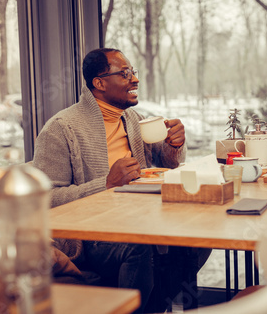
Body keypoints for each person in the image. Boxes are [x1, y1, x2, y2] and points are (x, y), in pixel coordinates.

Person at [33, 48, 208, 312]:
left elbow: (165, 163)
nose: (135, 79)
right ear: (99, 83)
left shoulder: (133, 120)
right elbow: (45, 199)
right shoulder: (60, 128)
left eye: (133, 72)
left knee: (199, 234)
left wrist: (175, 144)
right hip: (92, 235)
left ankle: (156, 305)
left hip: (142, 216)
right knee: (141, 244)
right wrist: (105, 184)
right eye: (124, 73)